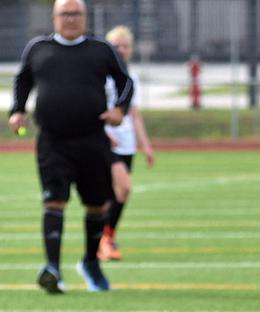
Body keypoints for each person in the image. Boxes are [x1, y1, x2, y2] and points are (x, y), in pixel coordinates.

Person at [8, 0, 133, 293]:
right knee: (53, 201)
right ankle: (53, 269)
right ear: (54, 17)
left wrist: (120, 110)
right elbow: (22, 80)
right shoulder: (38, 48)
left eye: (76, 14)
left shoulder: (101, 49)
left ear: (85, 17)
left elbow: (125, 82)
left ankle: (91, 262)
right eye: (65, 14)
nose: (71, 19)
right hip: (53, 141)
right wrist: (17, 110)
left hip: (92, 139)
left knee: (97, 205)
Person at [99, 25, 155, 262]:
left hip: (126, 143)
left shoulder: (131, 79)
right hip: (105, 142)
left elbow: (135, 115)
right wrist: (102, 133)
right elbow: (93, 107)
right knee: (121, 188)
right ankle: (104, 239)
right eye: (116, 46)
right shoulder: (100, 76)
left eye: (125, 46)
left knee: (118, 193)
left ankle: (106, 237)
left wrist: (146, 145)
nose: (121, 50)